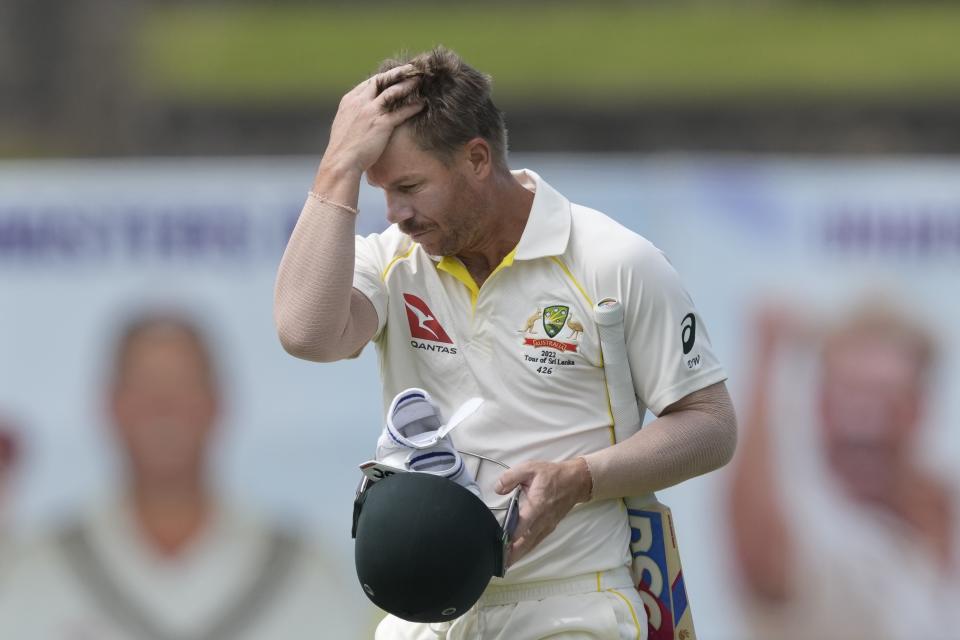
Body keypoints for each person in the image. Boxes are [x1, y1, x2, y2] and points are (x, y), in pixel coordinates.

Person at [274, 47, 738, 640]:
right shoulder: (391, 259)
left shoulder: (614, 261)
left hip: (575, 605)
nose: (397, 213)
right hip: (426, 613)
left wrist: (581, 477)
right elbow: (305, 334)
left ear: (475, 158)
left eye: (411, 186)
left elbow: (710, 425)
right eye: (381, 191)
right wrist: (335, 167)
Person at [0, 312, 365, 639]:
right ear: (111, 406)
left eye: (183, 385)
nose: (164, 408)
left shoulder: (302, 573)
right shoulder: (37, 571)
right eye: (144, 387)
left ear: (217, 403)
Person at [729, 301, 959, 639]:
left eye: (884, 399)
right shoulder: (813, 526)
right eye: (846, 398)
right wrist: (767, 360)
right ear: (821, 407)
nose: (863, 420)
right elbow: (759, 556)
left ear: (918, 408)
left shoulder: (943, 502)